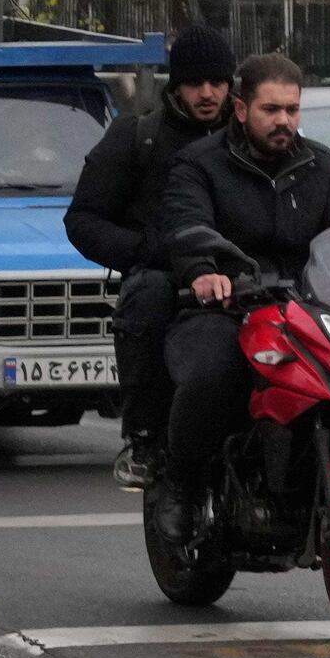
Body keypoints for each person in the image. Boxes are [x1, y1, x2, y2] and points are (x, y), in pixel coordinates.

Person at [153, 55, 330, 536]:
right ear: (242, 110)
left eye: (292, 109)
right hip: (228, 304)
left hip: (306, 305)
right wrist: (202, 270)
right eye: (272, 109)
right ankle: (182, 485)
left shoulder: (318, 163)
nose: (284, 120)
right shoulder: (200, 163)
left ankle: (312, 470)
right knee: (213, 375)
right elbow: (185, 223)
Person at [65, 26, 234, 491]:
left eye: (217, 82)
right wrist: (143, 252)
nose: (207, 93)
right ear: (175, 84)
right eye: (195, 82)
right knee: (147, 295)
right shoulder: (137, 136)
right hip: (165, 280)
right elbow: (83, 220)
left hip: (240, 276)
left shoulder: (247, 139)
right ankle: (143, 439)